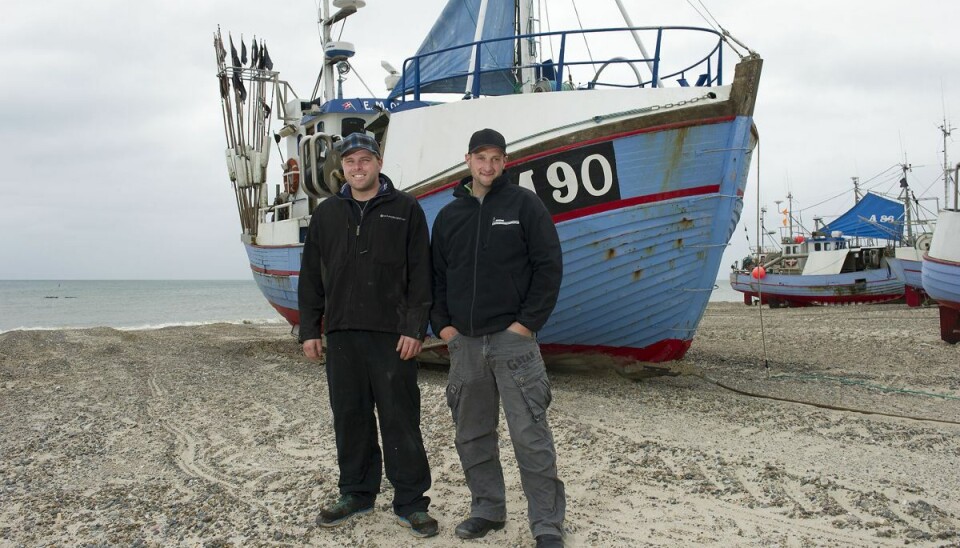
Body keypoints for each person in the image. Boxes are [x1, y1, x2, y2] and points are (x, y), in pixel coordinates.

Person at [430, 128, 566, 548]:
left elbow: (549, 266)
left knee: (530, 435)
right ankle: (487, 509)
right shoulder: (449, 216)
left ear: (505, 162)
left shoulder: (525, 205)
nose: (488, 166)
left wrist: (526, 324)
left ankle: (546, 524)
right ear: (467, 160)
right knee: (472, 434)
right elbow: (436, 277)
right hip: (465, 344)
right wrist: (445, 328)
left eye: (496, 158)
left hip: (514, 343)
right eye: (481, 158)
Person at [298, 132, 437, 538]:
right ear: (341, 168)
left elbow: (420, 275)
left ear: (378, 163)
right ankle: (357, 493)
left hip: (392, 336)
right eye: (351, 161)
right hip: (341, 334)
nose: (358, 167)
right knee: (350, 418)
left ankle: (411, 502)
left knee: (400, 419)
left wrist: (415, 328)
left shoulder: (406, 209)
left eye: (365, 159)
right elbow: (311, 278)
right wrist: (311, 329)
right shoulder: (327, 214)